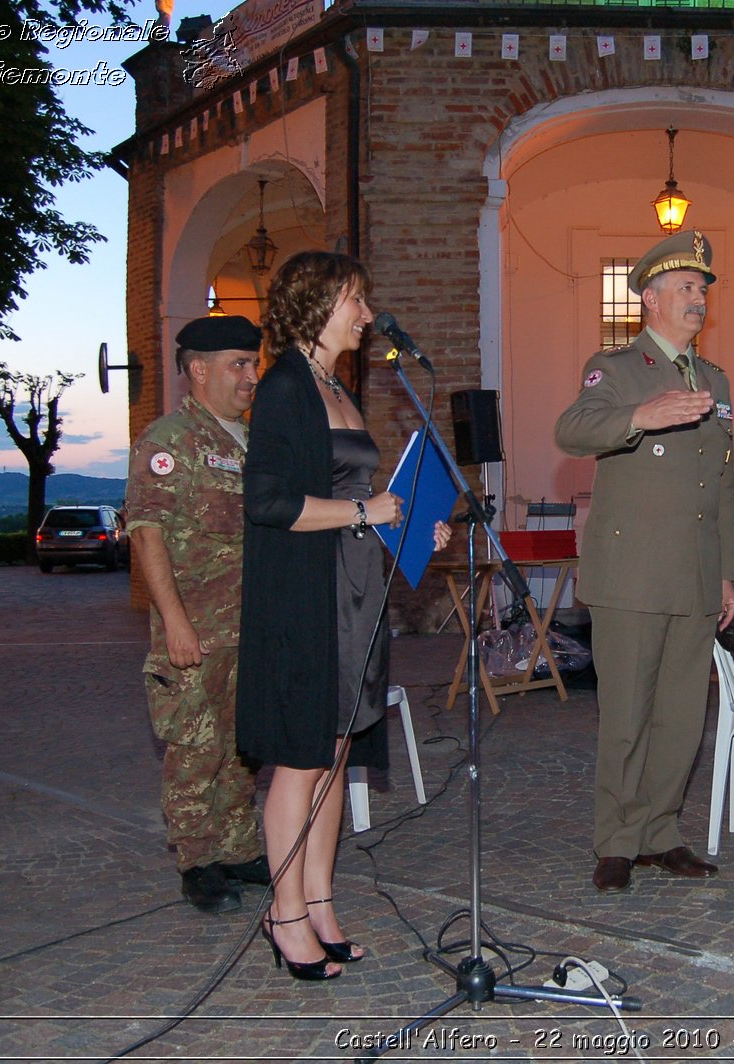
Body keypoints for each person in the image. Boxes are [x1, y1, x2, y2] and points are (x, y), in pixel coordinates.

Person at [236, 251, 450, 980]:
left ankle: (319, 903)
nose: (366, 315)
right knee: (299, 762)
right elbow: (267, 501)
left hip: (353, 596)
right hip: (303, 599)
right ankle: (284, 914)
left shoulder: (337, 386)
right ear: (316, 303)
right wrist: (367, 509)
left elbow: (359, 501)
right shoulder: (284, 388)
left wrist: (410, 525)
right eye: (355, 301)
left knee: (332, 760)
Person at [553, 230, 734, 894]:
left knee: (682, 716)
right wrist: (642, 414)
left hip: (693, 576)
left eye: (703, 290)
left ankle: (662, 833)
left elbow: (720, 482)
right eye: (687, 289)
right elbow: (572, 428)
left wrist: (726, 572)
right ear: (651, 299)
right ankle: (617, 840)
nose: (699, 299)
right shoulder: (617, 368)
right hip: (631, 575)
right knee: (626, 715)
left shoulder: (714, 379)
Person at [125, 315, 268, 914]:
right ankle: (197, 859)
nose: (252, 376)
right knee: (195, 746)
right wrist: (175, 621)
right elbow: (146, 532)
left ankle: (236, 848)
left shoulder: (250, 441)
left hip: (249, 626)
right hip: (197, 630)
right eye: (239, 364)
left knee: (241, 746)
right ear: (198, 370)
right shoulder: (170, 442)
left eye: (253, 364)